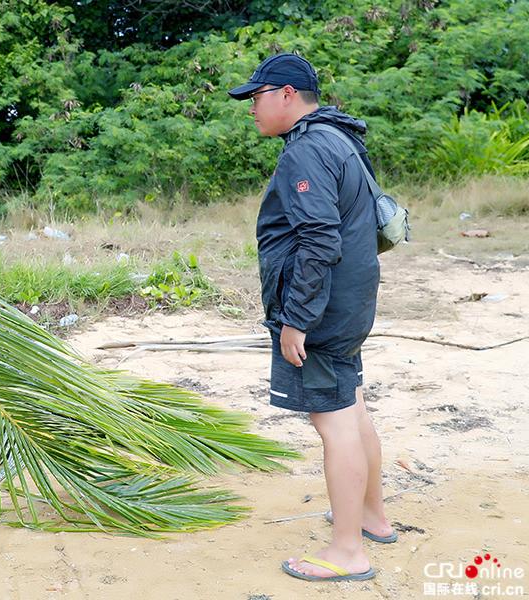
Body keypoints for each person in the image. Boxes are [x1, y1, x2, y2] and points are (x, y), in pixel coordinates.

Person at [229, 54, 396, 582]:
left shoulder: (308, 149)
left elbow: (318, 239)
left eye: (255, 97)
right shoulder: (339, 138)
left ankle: (348, 552)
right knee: (353, 404)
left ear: (285, 94)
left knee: (334, 419)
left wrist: (296, 319)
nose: (251, 108)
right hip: (349, 301)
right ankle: (372, 517)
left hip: (321, 308)